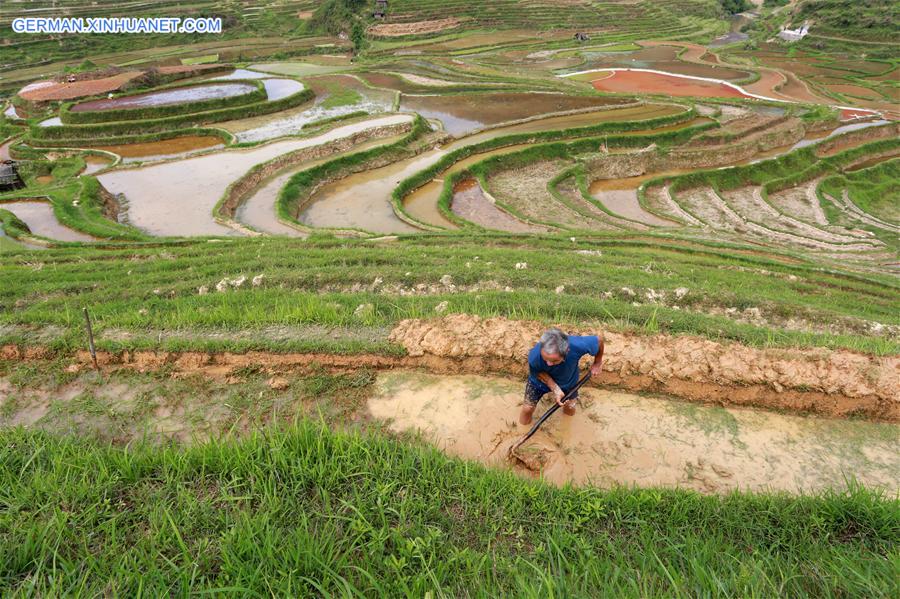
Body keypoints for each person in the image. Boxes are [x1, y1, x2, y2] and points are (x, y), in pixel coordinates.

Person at [520, 328, 604, 425]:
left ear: (567, 351)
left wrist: (598, 362)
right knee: (527, 409)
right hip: (539, 382)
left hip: (568, 381)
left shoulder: (577, 346)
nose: (548, 364)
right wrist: (555, 388)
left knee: (570, 407)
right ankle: (522, 428)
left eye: (554, 361)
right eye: (545, 359)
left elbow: (599, 340)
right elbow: (539, 372)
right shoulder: (534, 356)